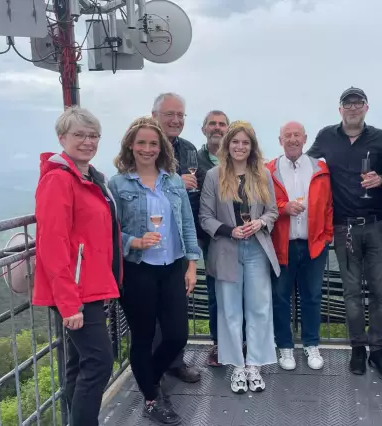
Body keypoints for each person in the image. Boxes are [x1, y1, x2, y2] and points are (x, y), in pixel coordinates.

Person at [108, 116, 201, 425]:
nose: (147, 149)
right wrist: (134, 241)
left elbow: (187, 224)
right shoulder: (118, 184)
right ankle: (151, 398)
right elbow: (110, 232)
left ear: (161, 147)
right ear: (130, 146)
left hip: (172, 266)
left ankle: (150, 379)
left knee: (176, 336)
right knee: (143, 336)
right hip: (138, 271)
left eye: (153, 143)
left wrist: (192, 263)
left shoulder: (173, 180)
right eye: (141, 143)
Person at [32, 106, 122, 426]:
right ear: (62, 138)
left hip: (90, 286)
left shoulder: (89, 177)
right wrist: (69, 303)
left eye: (93, 135)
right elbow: (52, 244)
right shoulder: (59, 180)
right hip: (75, 291)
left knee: (79, 364)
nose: (87, 141)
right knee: (99, 362)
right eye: (79, 135)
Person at [307, 86, 382, 382]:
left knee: (379, 293)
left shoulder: (381, 138)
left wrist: (381, 179)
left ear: (366, 108)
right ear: (340, 109)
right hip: (343, 226)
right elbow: (304, 168)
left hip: (376, 225)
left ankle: (378, 350)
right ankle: (358, 347)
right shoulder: (325, 137)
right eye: (348, 103)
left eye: (359, 103)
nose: (353, 107)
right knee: (352, 293)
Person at [199, 120, 280, 394]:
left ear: (252, 146)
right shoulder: (213, 175)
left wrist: (259, 223)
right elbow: (205, 217)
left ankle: (254, 365)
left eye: (245, 142)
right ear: (227, 144)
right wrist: (229, 231)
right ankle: (236, 366)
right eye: (236, 142)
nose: (240, 147)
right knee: (230, 310)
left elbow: (273, 211)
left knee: (259, 307)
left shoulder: (262, 175)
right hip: (226, 249)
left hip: (257, 248)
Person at [266, 121, 333, 371]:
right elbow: (264, 205)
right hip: (281, 245)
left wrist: (326, 236)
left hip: (314, 244)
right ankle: (284, 346)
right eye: (287, 136)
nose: (292, 139)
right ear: (280, 140)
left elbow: (328, 206)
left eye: (296, 135)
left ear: (305, 139)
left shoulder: (321, 169)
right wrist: (284, 209)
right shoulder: (269, 170)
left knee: (312, 297)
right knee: (281, 297)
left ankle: (311, 343)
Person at [151, 92, 202, 383]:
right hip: (149, 242)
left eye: (181, 115)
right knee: (151, 311)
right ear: (154, 114)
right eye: (170, 114)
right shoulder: (143, 144)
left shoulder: (189, 149)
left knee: (176, 307)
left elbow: (193, 198)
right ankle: (152, 369)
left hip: (179, 241)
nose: (176, 120)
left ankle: (174, 361)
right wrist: (174, 183)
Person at [197, 110, 229, 366]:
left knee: (242, 293)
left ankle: (242, 342)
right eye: (212, 124)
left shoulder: (241, 159)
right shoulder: (194, 161)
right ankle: (218, 344)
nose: (217, 128)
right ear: (203, 129)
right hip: (210, 239)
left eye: (222, 124)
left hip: (243, 238)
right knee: (215, 293)